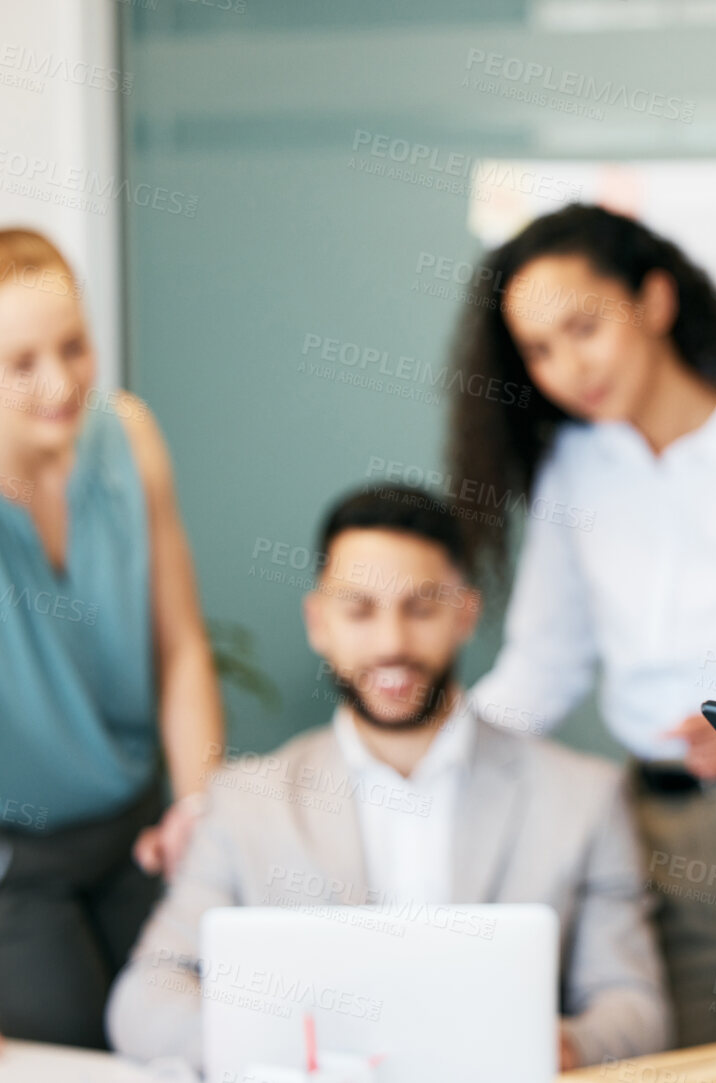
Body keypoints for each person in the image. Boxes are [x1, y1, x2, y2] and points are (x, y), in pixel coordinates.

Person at [449, 204, 716, 1049]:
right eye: (539, 348)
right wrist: (422, 754)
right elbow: (542, 666)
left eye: (583, 327)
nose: (567, 367)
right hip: (645, 828)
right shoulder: (576, 468)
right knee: (678, 1063)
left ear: (656, 301)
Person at [105, 486, 669, 1070]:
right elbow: (145, 995)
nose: (391, 643)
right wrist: (273, 1054)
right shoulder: (245, 801)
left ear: (465, 615)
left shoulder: (584, 797)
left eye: (421, 608)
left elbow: (635, 1005)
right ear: (318, 623)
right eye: (359, 610)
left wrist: (567, 1045)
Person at [0, 228, 224, 1049]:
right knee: (71, 1051)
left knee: (178, 1041)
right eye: (19, 363)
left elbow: (183, 648)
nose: (59, 382)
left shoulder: (128, 437)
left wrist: (198, 803)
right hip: (16, 860)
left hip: (135, 828)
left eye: (73, 347)